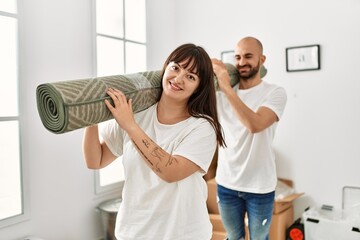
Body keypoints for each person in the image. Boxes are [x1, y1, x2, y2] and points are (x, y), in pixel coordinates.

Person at [83, 43, 226, 240]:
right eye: (175, 68)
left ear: (199, 88)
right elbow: (95, 160)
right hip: (133, 233)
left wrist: (130, 125)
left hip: (182, 234)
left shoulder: (201, 128)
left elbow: (170, 171)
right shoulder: (135, 114)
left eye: (190, 77)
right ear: (166, 67)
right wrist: (90, 119)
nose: (178, 79)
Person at [212, 36, 287, 240]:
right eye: (237, 57)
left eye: (248, 56)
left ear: (262, 59)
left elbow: (255, 124)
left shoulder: (275, 93)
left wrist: (226, 87)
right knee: (233, 237)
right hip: (227, 183)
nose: (242, 62)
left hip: (260, 187)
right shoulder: (220, 95)